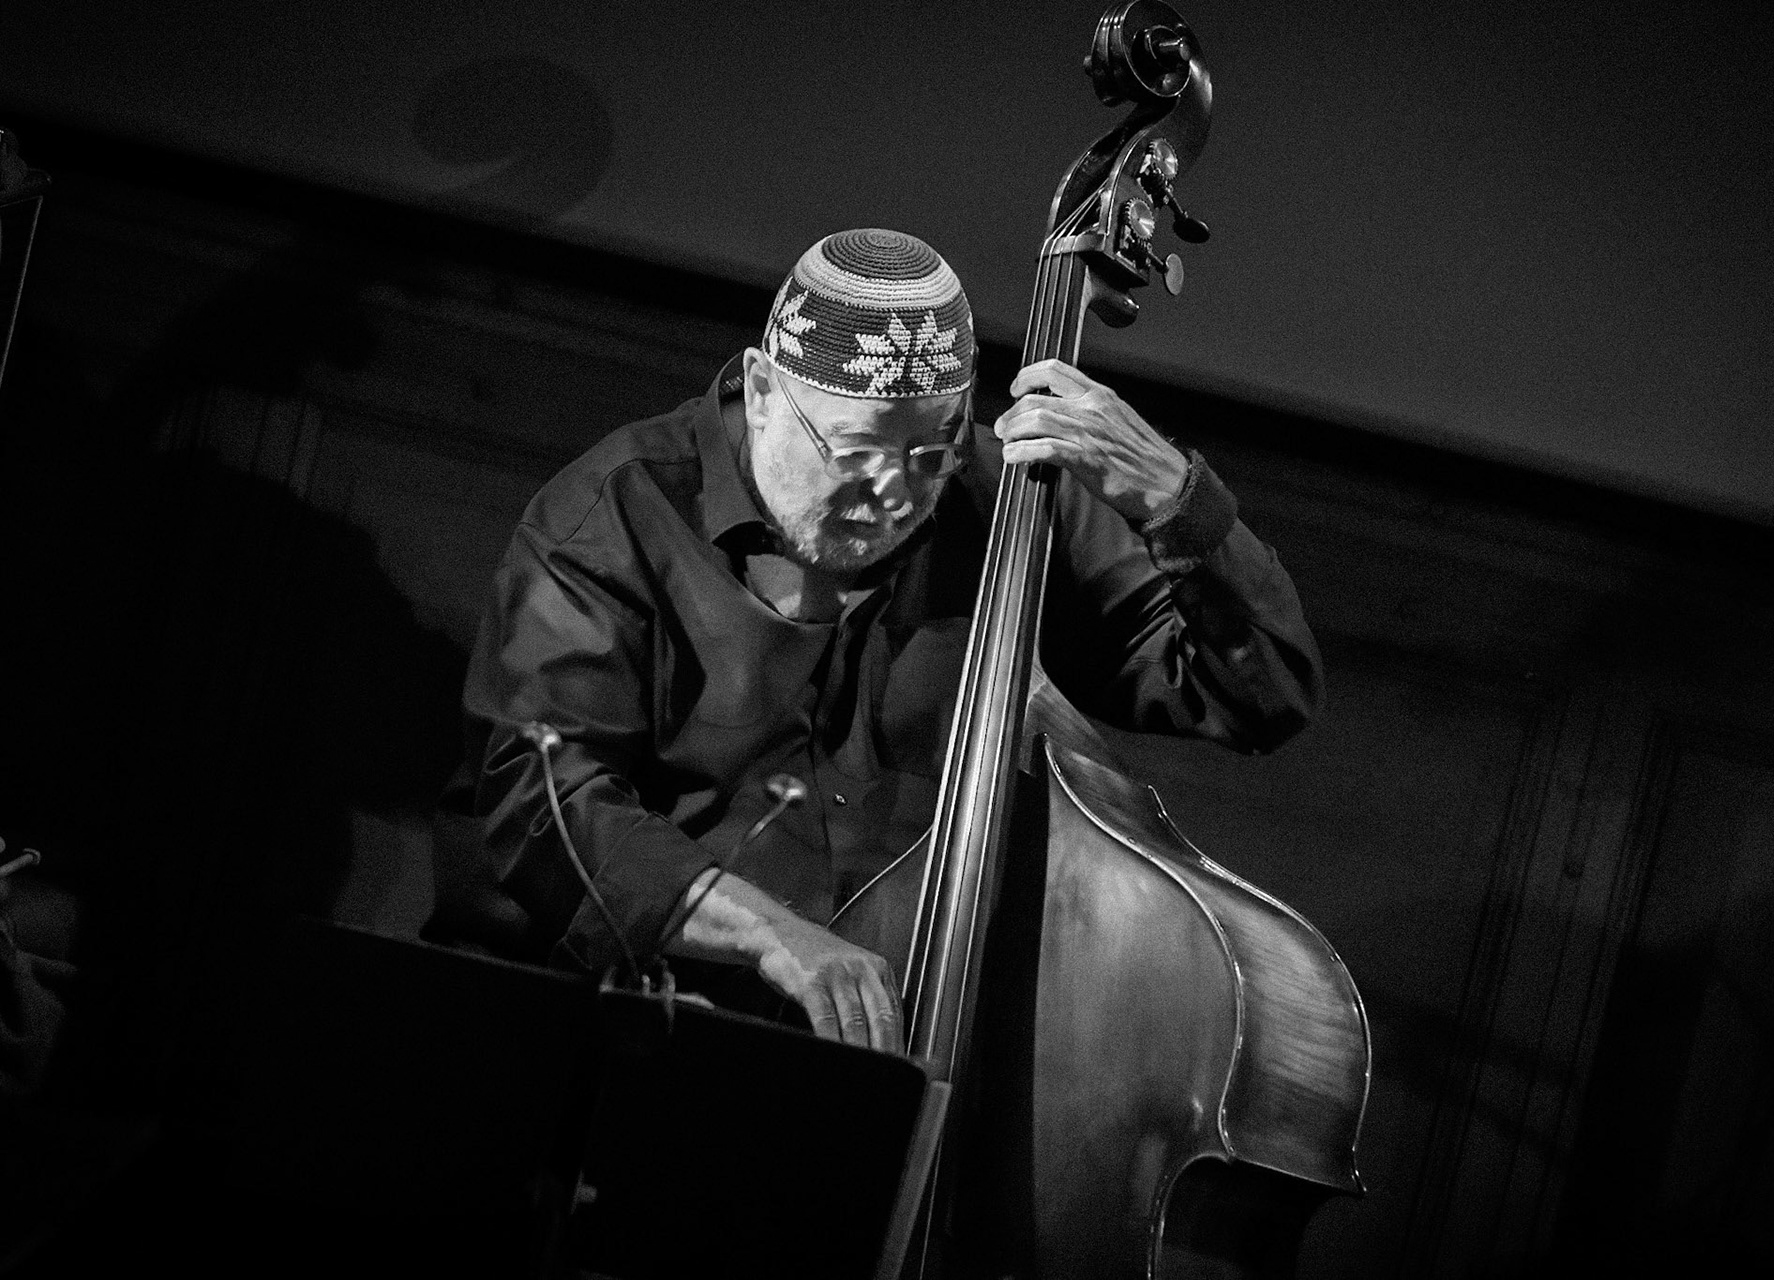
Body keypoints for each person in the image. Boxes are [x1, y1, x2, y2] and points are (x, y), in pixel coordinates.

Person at [426, 228, 1321, 1054]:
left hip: (871, 1056)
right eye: (855, 452)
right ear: (764, 392)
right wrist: (770, 933)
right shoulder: (613, 516)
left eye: (930, 453)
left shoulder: (1000, 499)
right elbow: (545, 801)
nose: (895, 494)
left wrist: (1174, 497)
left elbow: (1262, 695)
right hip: (596, 1028)